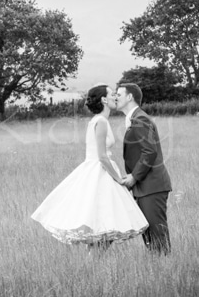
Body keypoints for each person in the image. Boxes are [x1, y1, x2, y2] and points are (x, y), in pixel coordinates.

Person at [31, 84, 148, 251]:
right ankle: (93, 261)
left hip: (100, 170)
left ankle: (93, 262)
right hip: (100, 171)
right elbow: (101, 156)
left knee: (103, 225)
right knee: (103, 224)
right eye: (112, 94)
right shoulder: (100, 121)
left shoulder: (100, 120)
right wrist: (119, 179)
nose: (115, 97)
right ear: (104, 99)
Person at [116, 83, 173, 256]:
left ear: (129, 97)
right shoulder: (135, 119)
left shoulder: (140, 119)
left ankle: (164, 268)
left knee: (157, 235)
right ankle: (158, 268)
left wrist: (134, 177)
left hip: (152, 185)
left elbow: (150, 151)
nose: (115, 98)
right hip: (145, 186)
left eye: (119, 94)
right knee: (149, 236)